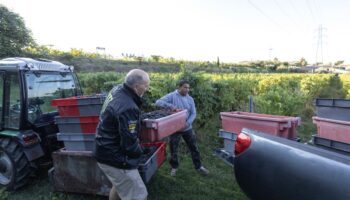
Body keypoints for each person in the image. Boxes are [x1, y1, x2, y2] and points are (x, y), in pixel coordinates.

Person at [93, 69, 150, 200]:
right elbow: (129, 144)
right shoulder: (129, 107)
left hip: (102, 148)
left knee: (120, 186)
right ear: (136, 86)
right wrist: (141, 151)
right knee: (138, 194)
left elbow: (117, 118)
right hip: (115, 157)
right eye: (146, 85)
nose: (147, 89)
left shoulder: (117, 89)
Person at [155, 79, 209, 177]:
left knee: (194, 147)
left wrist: (188, 123)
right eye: (185, 87)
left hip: (187, 128)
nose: (187, 89)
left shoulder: (190, 99)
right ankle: (174, 167)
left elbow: (193, 113)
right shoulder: (172, 96)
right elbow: (158, 102)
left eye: (188, 88)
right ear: (179, 87)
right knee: (173, 149)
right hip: (174, 129)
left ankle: (199, 166)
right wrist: (171, 106)